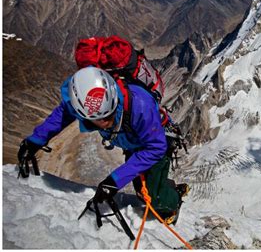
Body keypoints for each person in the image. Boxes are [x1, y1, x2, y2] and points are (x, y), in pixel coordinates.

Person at [17, 66, 189, 225]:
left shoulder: (140, 106)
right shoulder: (84, 102)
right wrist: (35, 141)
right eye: (100, 119)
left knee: (154, 198)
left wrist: (114, 181)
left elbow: (156, 148)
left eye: (110, 114)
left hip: (158, 140)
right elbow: (63, 114)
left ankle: (174, 201)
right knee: (141, 191)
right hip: (133, 141)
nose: (107, 122)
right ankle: (165, 186)